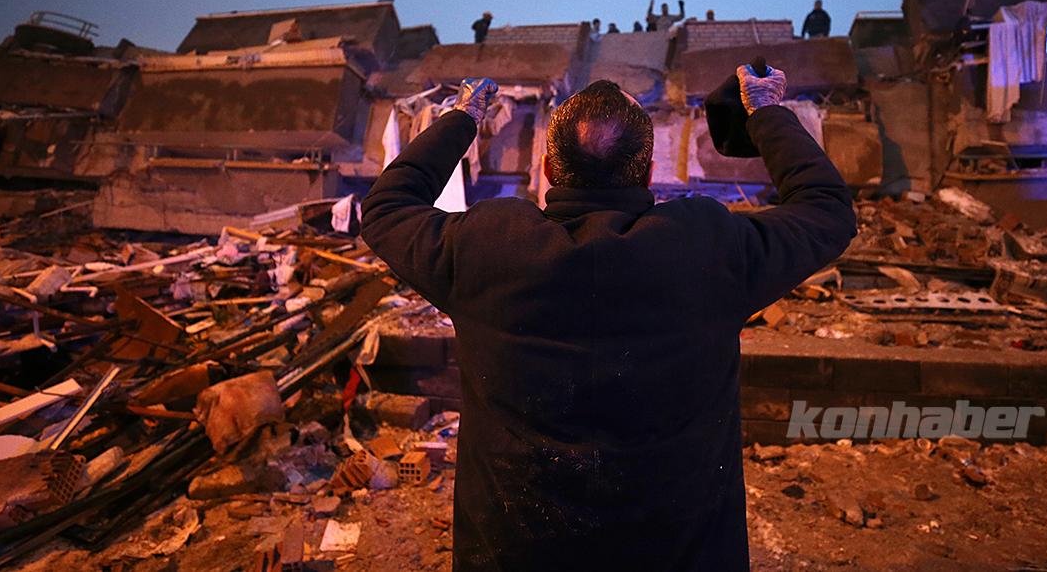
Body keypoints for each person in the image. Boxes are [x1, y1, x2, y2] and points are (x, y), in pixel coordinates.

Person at [361, 69, 856, 571]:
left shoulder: (486, 246)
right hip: (680, 554)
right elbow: (827, 210)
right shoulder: (706, 247)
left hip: (515, 553)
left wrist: (463, 118)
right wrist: (766, 110)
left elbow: (385, 208)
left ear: (549, 169)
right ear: (646, 174)